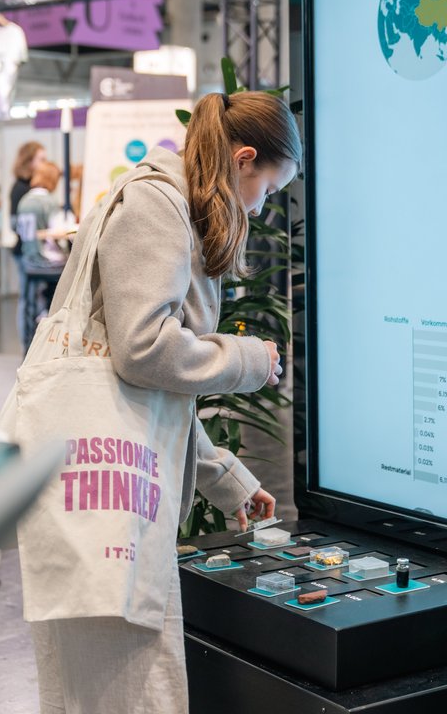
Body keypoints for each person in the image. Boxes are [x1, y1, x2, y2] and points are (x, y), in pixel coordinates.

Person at [27, 90, 301, 714]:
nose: (261, 207)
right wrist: (249, 360)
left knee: (115, 681)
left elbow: (141, 395)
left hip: (113, 476)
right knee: (121, 682)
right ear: (244, 158)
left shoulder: (174, 204)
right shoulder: (159, 203)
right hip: (107, 493)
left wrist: (223, 477)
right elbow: (142, 349)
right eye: (267, 188)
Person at [16, 160, 68, 348]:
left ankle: (29, 345)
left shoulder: (24, 201)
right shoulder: (49, 202)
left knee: (28, 303)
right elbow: (58, 233)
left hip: (29, 260)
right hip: (49, 262)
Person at [10, 141, 46, 348]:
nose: (44, 164)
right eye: (41, 159)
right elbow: (15, 224)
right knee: (27, 300)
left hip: (33, 253)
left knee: (35, 300)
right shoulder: (20, 189)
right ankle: (27, 348)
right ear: (29, 160)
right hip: (25, 253)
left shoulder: (30, 189)